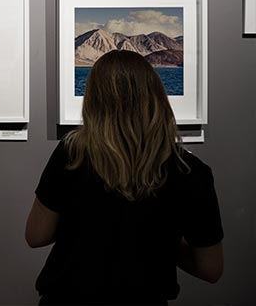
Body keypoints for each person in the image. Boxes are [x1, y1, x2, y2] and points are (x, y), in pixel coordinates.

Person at [26, 50, 223, 305]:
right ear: (157, 98)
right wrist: (157, 240)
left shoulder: (71, 154)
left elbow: (36, 235)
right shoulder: (191, 171)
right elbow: (210, 268)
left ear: (94, 100)